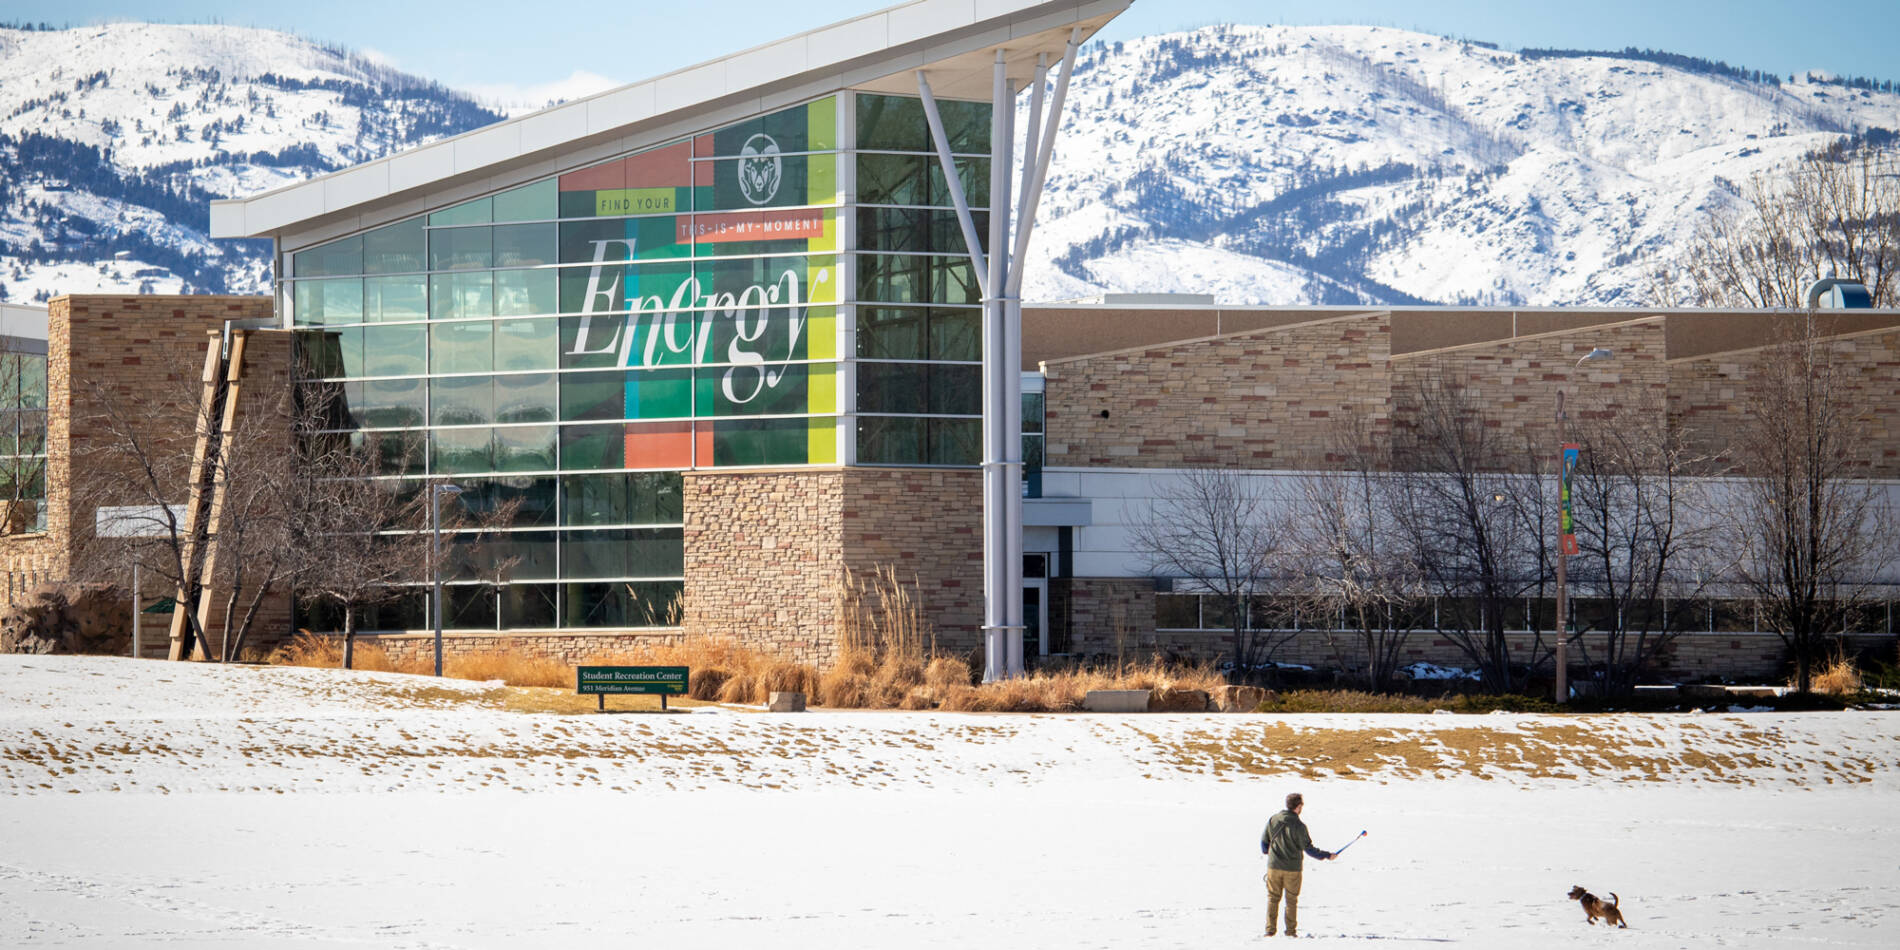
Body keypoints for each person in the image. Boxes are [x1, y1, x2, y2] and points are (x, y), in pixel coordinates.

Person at [1261, 791, 1333, 937]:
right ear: (1298, 806)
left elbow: (1264, 845)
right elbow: (1309, 850)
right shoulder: (1300, 826)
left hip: (1273, 867)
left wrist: (1274, 854)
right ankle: (1290, 932)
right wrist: (1327, 855)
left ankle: (1270, 931)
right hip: (1293, 869)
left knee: (1273, 899)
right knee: (1291, 900)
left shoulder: (1273, 820)